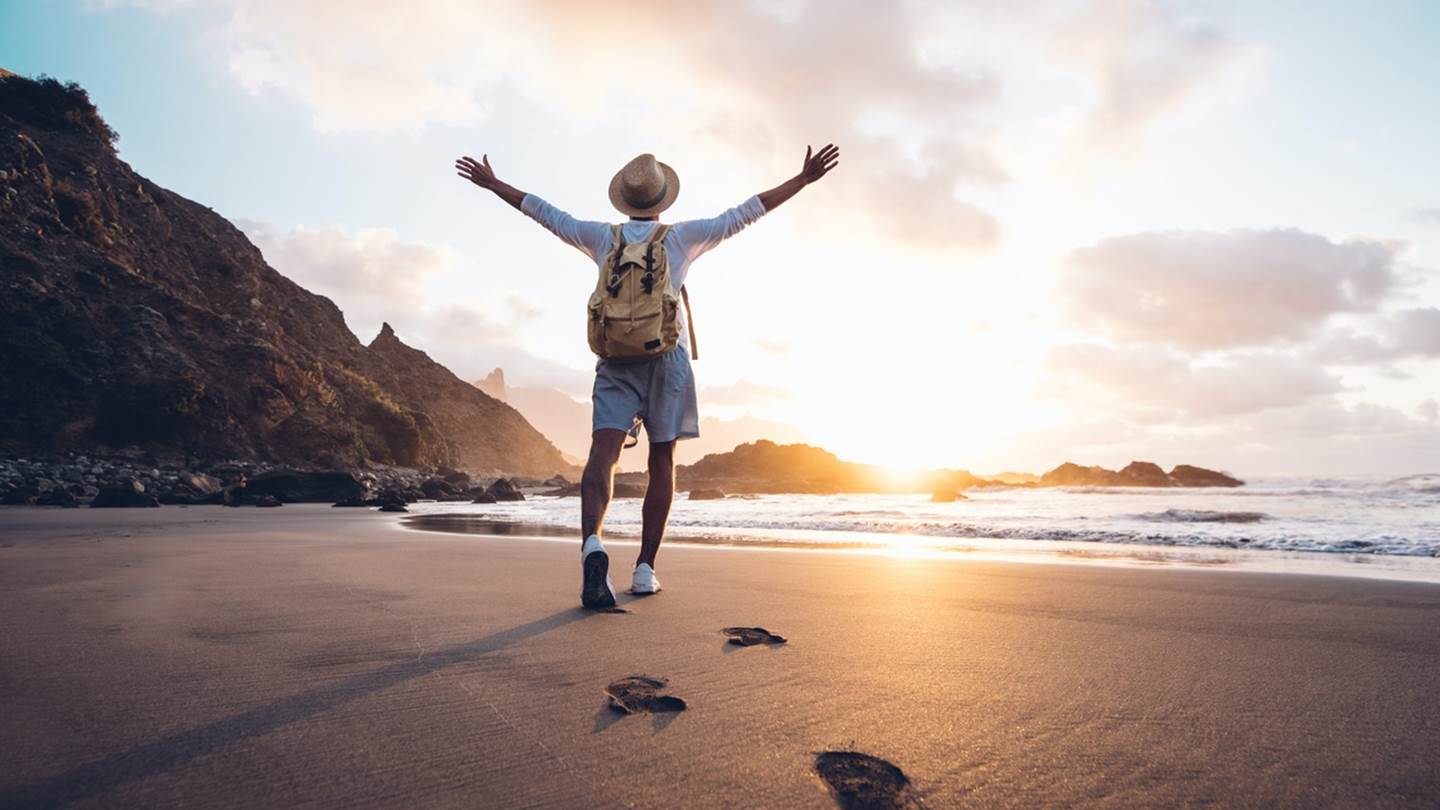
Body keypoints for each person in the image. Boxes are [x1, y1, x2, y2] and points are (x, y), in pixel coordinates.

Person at [455, 144, 839, 608]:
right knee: (662, 460)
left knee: (603, 453)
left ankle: (592, 545)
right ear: (661, 201)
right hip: (667, 360)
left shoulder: (602, 237)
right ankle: (644, 569)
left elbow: (546, 214)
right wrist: (801, 181)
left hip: (615, 359)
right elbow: (746, 213)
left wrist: (495, 184)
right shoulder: (682, 238)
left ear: (626, 200)